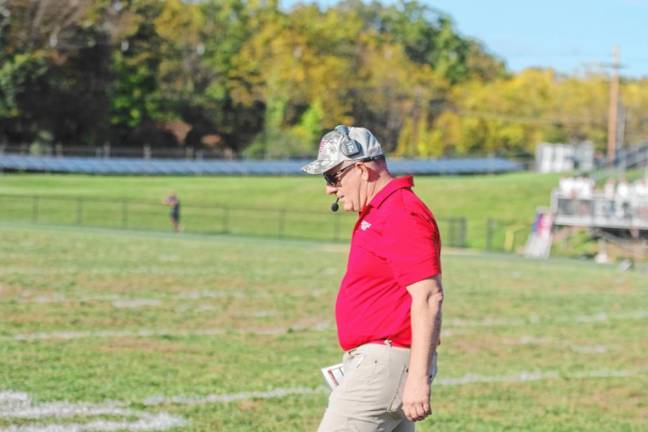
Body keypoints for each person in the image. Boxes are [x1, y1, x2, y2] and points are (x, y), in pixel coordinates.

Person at [302, 125, 444, 432]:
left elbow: (429, 296)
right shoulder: (382, 210)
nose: (329, 188)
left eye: (332, 177)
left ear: (362, 169)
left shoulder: (400, 212)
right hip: (381, 360)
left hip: (385, 363)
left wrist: (418, 379)